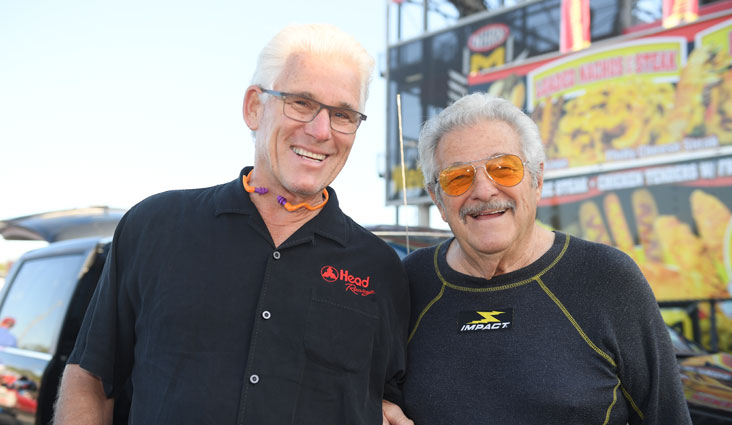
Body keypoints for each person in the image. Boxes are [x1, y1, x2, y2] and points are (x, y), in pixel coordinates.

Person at [53, 23, 409, 425]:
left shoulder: (382, 269)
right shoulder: (155, 226)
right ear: (254, 107)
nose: (321, 131)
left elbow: (387, 401)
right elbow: (91, 376)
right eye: (301, 103)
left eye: (342, 114)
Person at [384, 92, 691, 424]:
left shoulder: (607, 278)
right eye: (458, 177)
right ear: (437, 199)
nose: (484, 190)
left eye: (504, 169)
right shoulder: (407, 283)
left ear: (537, 180)